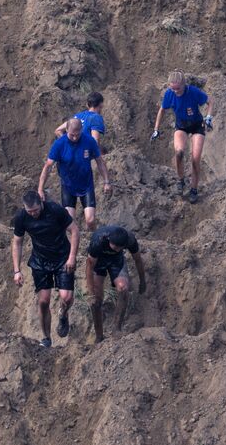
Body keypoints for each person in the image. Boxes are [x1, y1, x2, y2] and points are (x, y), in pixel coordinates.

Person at [11, 191, 80, 348]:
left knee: (67, 297)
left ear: (41, 203)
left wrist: (72, 257)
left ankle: (63, 314)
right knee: (43, 301)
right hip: (40, 261)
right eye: (30, 211)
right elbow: (17, 243)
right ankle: (46, 338)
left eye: (36, 210)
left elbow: (75, 230)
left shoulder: (55, 210)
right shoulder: (22, 217)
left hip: (62, 257)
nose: (33, 214)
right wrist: (17, 270)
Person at [38, 117, 110, 232]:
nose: (75, 138)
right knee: (69, 222)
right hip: (68, 185)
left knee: (90, 220)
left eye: (78, 134)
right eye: (72, 135)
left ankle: (94, 238)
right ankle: (76, 246)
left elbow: (100, 161)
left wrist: (106, 181)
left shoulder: (89, 141)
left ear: (82, 130)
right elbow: (48, 166)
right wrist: (40, 188)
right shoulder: (59, 144)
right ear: (66, 130)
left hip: (86, 185)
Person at [151, 71, 212, 203]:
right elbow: (162, 110)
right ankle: (181, 180)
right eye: (173, 88)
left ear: (184, 84)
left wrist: (208, 117)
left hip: (197, 126)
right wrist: (156, 129)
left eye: (178, 88)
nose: (175, 91)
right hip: (181, 126)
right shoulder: (169, 94)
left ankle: (194, 189)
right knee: (179, 152)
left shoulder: (193, 92)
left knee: (195, 159)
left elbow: (209, 102)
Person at [85, 224, 146, 342]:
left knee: (123, 288)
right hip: (99, 262)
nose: (116, 249)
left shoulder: (130, 239)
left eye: (119, 248)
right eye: (113, 246)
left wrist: (142, 281)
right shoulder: (98, 240)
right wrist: (91, 293)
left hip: (116, 261)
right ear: (108, 240)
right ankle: (99, 336)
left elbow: (138, 259)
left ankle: (116, 328)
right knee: (96, 300)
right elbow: (89, 266)